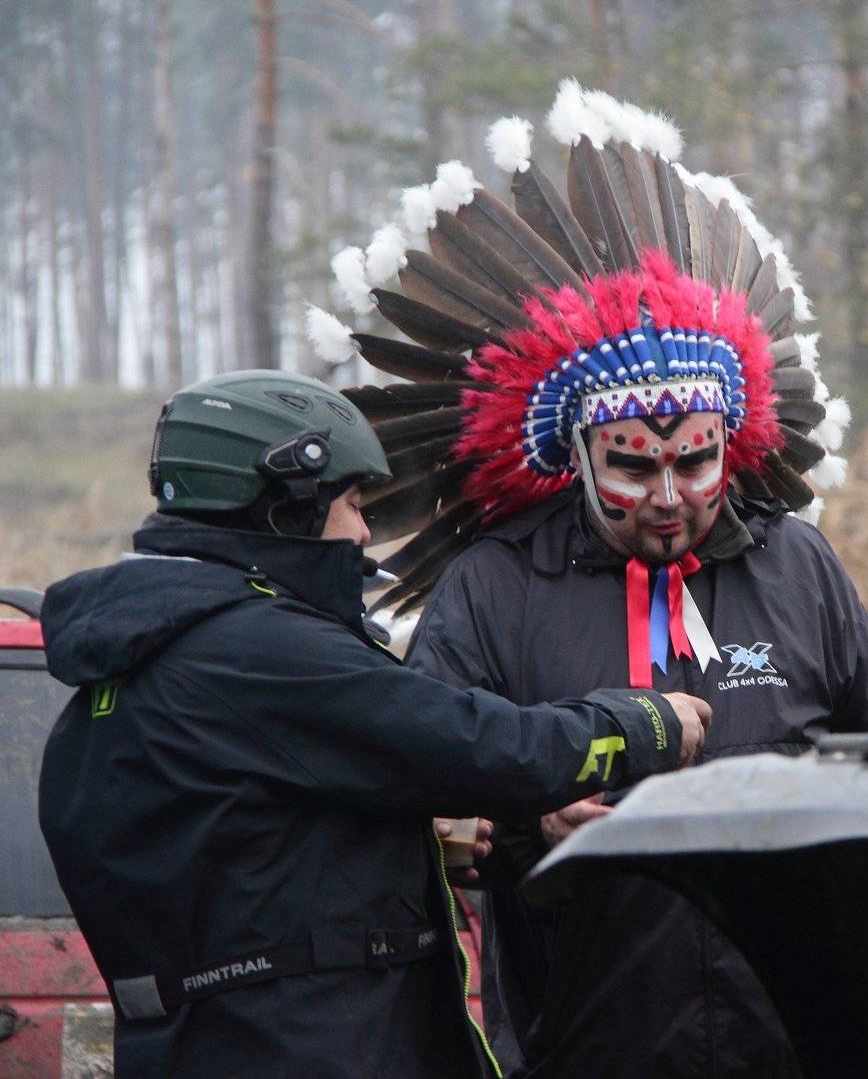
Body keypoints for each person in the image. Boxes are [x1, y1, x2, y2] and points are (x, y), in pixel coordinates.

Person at [307, 82, 868, 1077]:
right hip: (588, 1037)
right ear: (576, 453)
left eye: (697, 460)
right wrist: (529, 822)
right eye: (635, 467)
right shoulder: (495, 588)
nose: (670, 496)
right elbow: (418, 791)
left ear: (733, 441)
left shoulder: (797, 565)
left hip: (793, 1038)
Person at [37, 369, 710, 1079]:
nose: (364, 534)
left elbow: (251, 856)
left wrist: (408, 842)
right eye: (354, 505)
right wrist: (639, 723)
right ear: (285, 507)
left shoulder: (141, 659)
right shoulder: (257, 651)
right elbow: (477, 745)